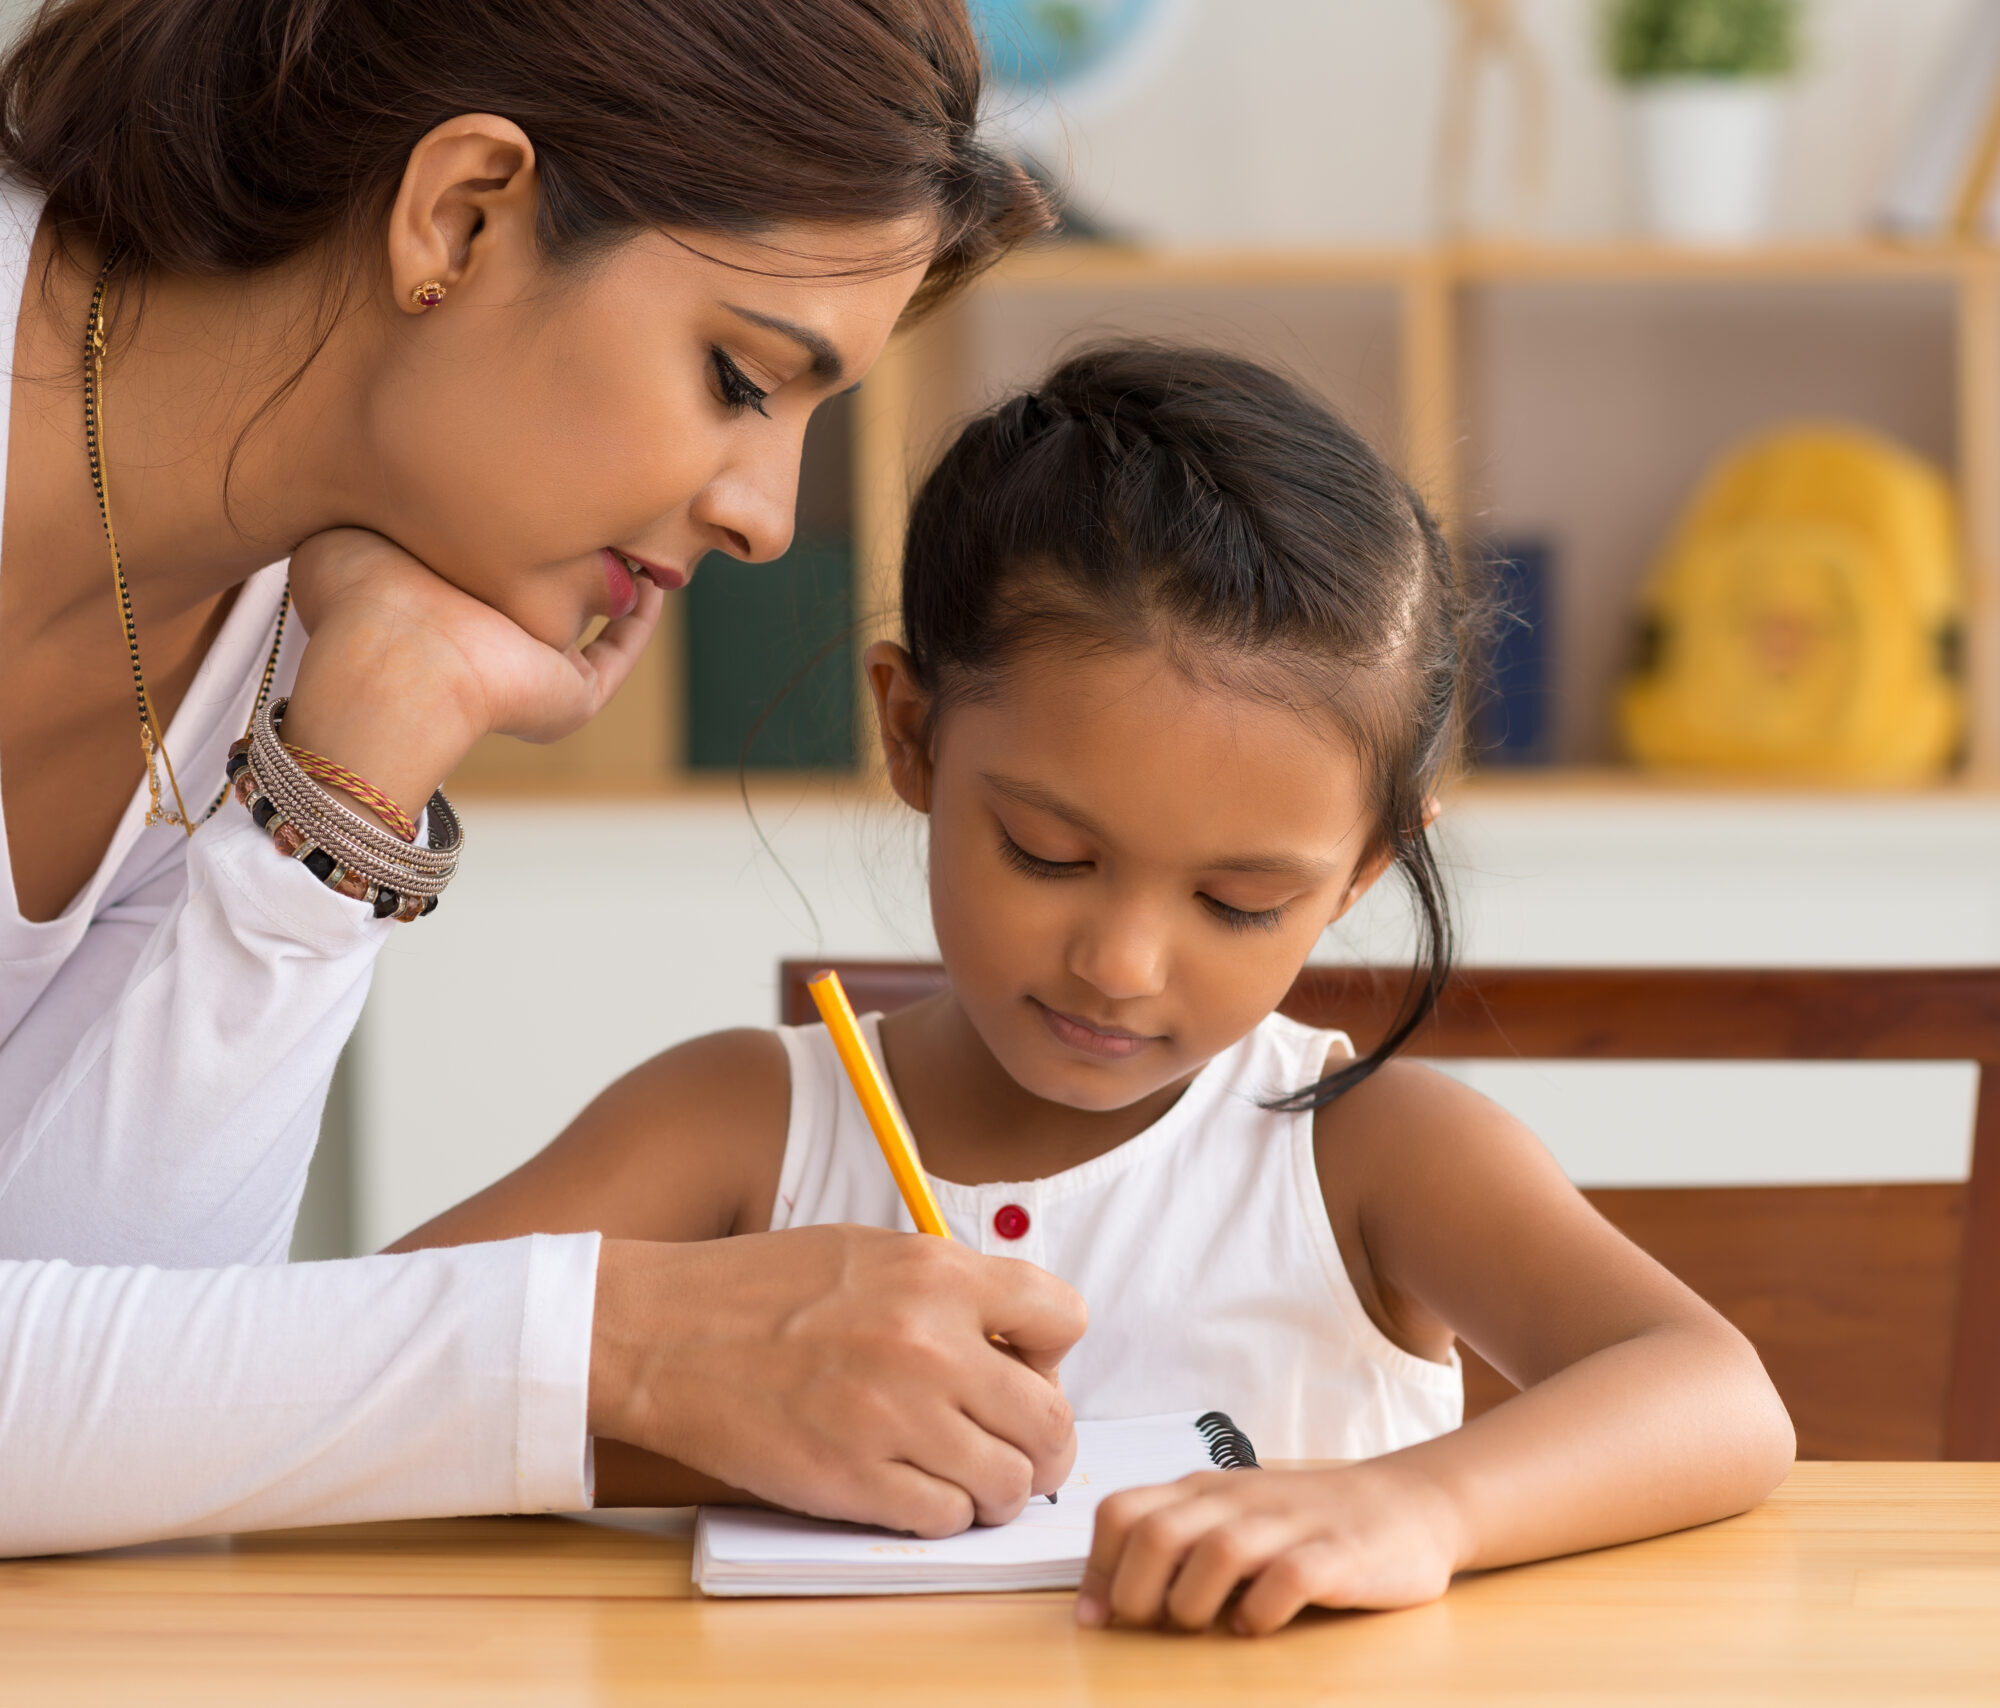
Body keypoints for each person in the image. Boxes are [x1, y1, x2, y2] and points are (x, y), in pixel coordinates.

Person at [402, 344, 1797, 1634]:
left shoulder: (1369, 1153)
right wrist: (697, 1413)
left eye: (1238, 903)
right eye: (1048, 854)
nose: (1122, 964)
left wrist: (1420, 1507)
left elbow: (1717, 1397)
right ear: (912, 733)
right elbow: (356, 1376)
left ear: (1361, 873)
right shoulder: (739, 1123)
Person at [0, 0, 1089, 1557]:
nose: (767, 517)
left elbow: (114, 1411)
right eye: (739, 379)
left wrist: (350, 781)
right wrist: (618, 1344)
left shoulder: (292, 599)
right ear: (462, 214)